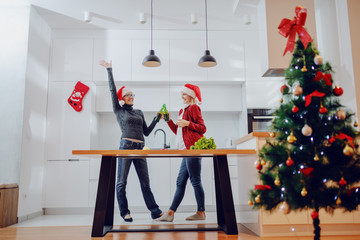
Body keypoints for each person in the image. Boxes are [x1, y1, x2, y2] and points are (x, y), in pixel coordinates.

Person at [99, 60, 162, 222]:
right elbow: (113, 90)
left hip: (140, 147)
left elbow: (146, 132)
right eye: (128, 95)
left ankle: (154, 211)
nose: (131, 97)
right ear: (122, 98)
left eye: (132, 95)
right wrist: (109, 69)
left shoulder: (139, 112)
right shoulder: (119, 111)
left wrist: (156, 119)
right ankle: (125, 212)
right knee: (121, 182)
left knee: (145, 183)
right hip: (126, 146)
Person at [156, 83, 207, 222]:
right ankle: (170, 213)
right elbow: (178, 130)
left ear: (191, 95)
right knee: (180, 182)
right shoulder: (182, 111)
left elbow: (203, 128)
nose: (182, 96)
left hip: (192, 149)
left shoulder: (194, 108)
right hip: (186, 150)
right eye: (181, 94)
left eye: (184, 94)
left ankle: (201, 212)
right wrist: (167, 119)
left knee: (195, 181)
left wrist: (188, 124)